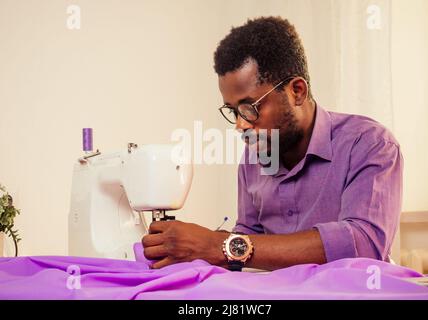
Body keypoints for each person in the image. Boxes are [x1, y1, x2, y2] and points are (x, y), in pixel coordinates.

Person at [142, 16, 403, 271]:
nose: (240, 125)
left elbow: (364, 244)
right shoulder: (254, 156)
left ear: (297, 91)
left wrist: (220, 245)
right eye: (233, 111)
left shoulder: (369, 144)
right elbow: (247, 240)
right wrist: (199, 247)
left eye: (250, 107)